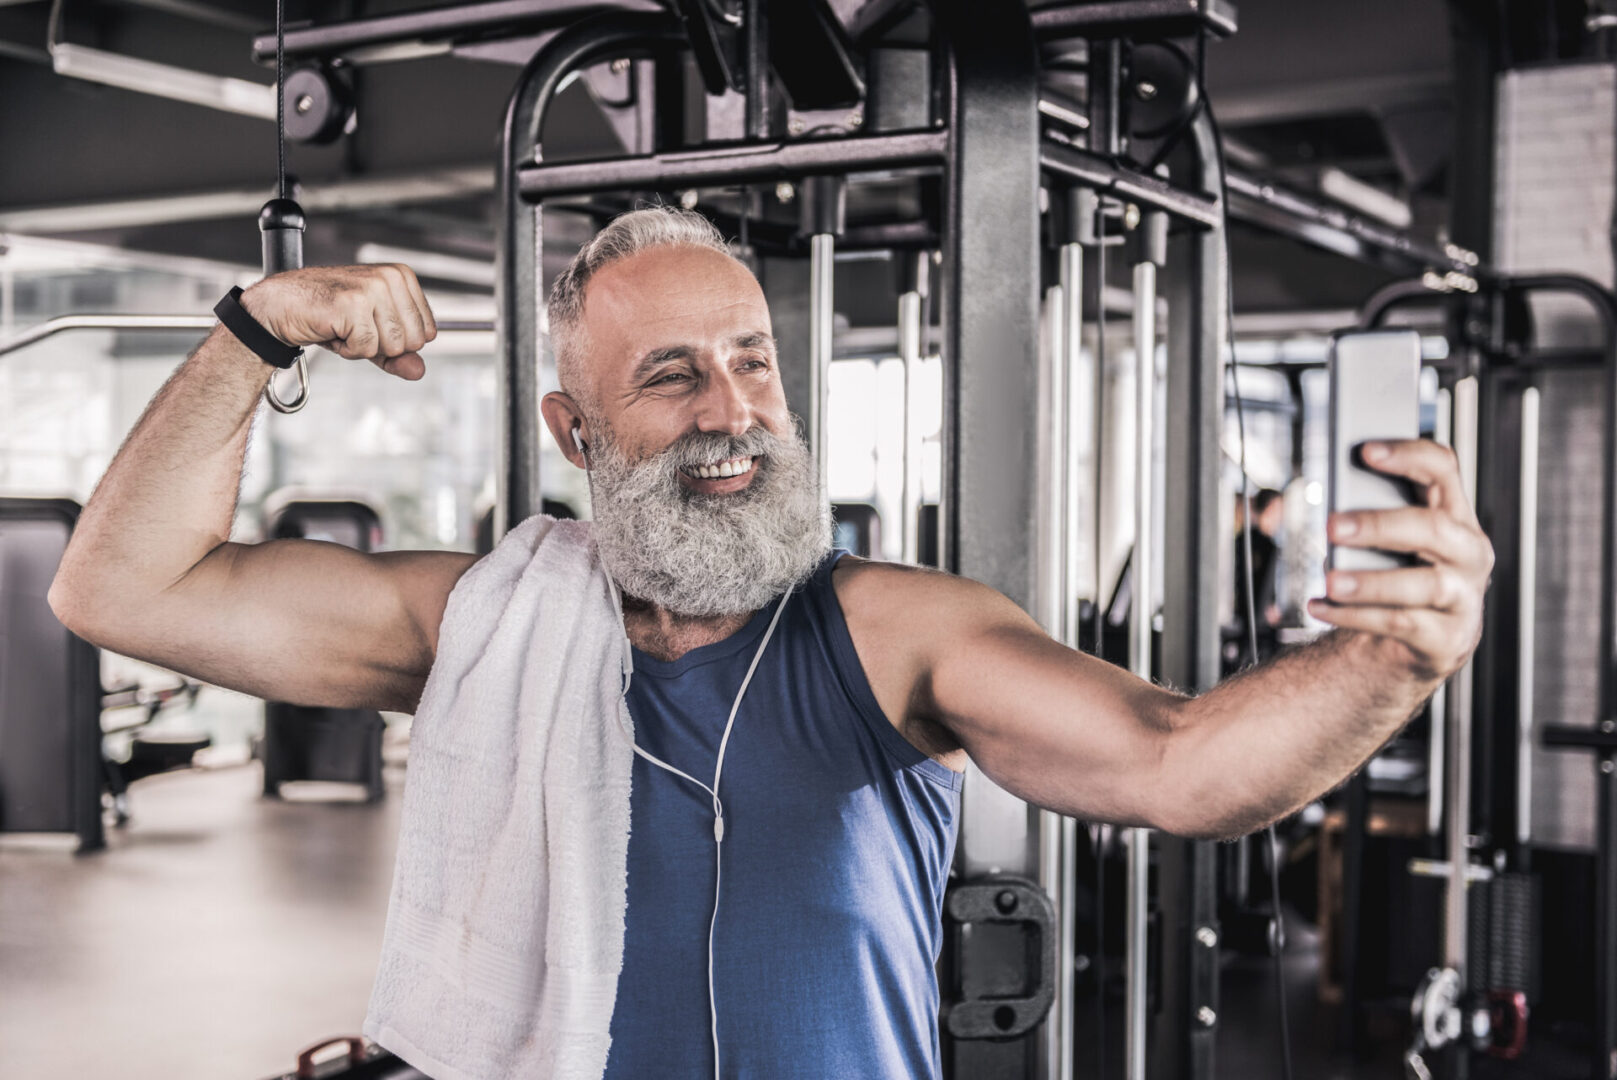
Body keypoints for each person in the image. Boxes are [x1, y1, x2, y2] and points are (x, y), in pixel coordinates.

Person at [47, 208, 1494, 1079]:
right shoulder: (484, 621)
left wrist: (1393, 661)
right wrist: (253, 334)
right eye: (671, 375)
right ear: (578, 432)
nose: (732, 409)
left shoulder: (890, 631)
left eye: (751, 361)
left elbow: (1183, 768)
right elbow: (123, 591)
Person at [1234, 486, 1285, 658]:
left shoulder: (1242, 539)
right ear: (1271, 508)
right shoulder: (1269, 547)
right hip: (1258, 627)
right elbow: (1264, 588)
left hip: (1244, 622)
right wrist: (1266, 613)